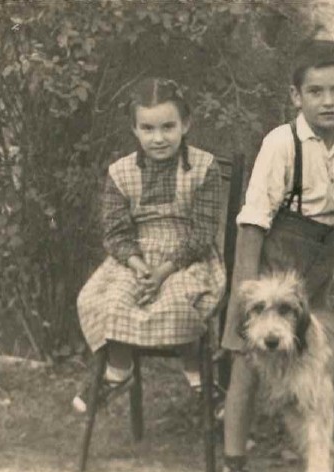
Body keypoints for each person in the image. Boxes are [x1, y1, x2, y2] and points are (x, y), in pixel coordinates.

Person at [220, 39, 334, 472]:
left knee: (307, 359)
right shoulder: (281, 144)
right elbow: (253, 222)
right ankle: (233, 455)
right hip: (274, 259)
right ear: (297, 96)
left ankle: (310, 451)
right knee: (247, 358)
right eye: (316, 92)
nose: (328, 101)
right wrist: (245, 294)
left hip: (321, 263)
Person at [73, 77, 226, 413]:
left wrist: (164, 272)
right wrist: (140, 267)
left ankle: (200, 380)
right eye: (148, 128)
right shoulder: (121, 172)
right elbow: (115, 231)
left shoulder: (205, 168)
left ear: (186, 124)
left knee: (178, 301)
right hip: (136, 258)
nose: (159, 138)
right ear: (135, 130)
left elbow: (203, 231)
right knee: (109, 300)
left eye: (168, 127)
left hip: (186, 257)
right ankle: (118, 370)